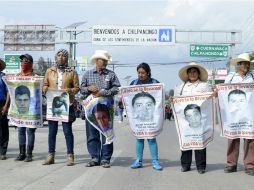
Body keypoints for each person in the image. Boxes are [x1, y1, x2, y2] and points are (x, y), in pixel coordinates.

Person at [80, 50, 120, 168]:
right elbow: (81, 89)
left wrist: (104, 92)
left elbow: (117, 88)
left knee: (107, 133)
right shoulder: (88, 74)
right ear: (97, 61)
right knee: (92, 134)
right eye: (103, 60)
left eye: (106, 60)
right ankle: (94, 157)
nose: (105, 62)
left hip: (106, 109)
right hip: (91, 109)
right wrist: (89, 88)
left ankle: (105, 158)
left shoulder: (111, 74)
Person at [42, 49, 80, 166]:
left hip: (66, 104)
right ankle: (50, 155)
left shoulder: (72, 72)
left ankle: (70, 155)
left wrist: (70, 90)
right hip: (52, 104)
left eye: (64, 56)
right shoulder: (49, 71)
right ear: (56, 57)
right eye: (59, 55)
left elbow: (77, 88)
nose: (61, 57)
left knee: (67, 131)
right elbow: (45, 84)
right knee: (51, 132)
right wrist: (44, 88)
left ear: (67, 58)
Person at [173, 62, 211, 174]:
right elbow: (176, 101)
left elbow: (209, 100)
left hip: (200, 118)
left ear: (198, 74)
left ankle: (201, 166)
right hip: (185, 120)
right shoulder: (180, 87)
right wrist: (172, 100)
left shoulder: (204, 86)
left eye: (194, 71)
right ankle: (185, 165)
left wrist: (213, 95)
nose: (192, 73)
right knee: (186, 141)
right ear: (187, 74)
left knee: (200, 142)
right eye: (190, 72)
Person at [223, 53, 254, 176]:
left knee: (250, 139)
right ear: (238, 64)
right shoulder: (230, 77)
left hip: (249, 113)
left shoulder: (252, 76)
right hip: (233, 113)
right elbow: (224, 92)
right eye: (244, 63)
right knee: (233, 138)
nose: (246, 65)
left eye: (248, 63)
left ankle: (250, 165)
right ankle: (231, 164)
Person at [130, 62, 162, 171]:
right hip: (139, 119)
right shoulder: (133, 83)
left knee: (151, 138)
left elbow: (159, 99)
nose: (140, 75)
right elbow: (128, 99)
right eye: (139, 72)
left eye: (143, 72)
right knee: (139, 138)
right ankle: (138, 160)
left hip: (151, 117)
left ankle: (155, 161)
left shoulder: (155, 83)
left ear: (148, 73)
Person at [15, 54, 38, 162]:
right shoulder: (16, 77)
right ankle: (21, 153)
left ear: (31, 63)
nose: (23, 63)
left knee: (30, 131)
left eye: (25, 61)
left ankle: (29, 154)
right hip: (19, 109)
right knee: (20, 130)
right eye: (21, 61)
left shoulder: (36, 77)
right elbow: (11, 92)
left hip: (31, 110)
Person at [0, 59, 10, 160]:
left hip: (2, 104)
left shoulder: (3, 77)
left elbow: (8, 92)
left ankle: (3, 151)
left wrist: (6, 106)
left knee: (3, 128)